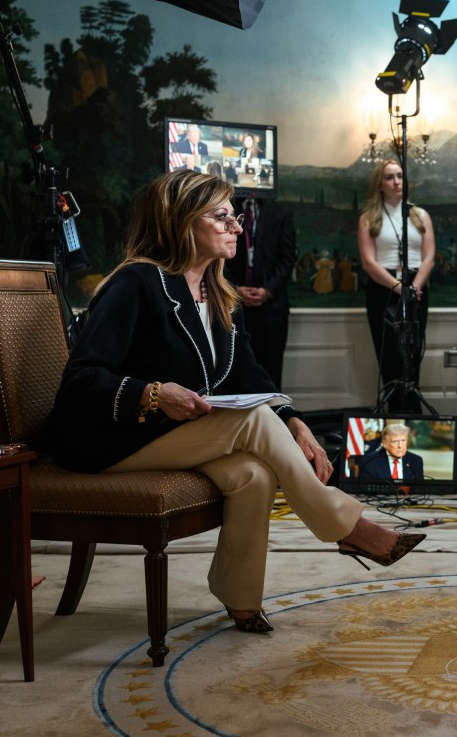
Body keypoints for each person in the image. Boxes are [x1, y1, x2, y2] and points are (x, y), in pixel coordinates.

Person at [45, 170, 424, 633]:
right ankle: (349, 528)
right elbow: (81, 380)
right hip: (109, 440)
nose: (237, 227)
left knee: (253, 474)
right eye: (222, 216)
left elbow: (249, 373)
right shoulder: (137, 283)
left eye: (235, 217)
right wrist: (155, 393)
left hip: (172, 436)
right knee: (256, 422)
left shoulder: (218, 293)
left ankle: (240, 598)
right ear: (183, 221)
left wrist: (297, 422)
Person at [357, 160, 436, 413]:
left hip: (417, 288)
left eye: (400, 176)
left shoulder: (420, 215)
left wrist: (414, 287)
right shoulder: (369, 218)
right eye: (390, 177)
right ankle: (397, 421)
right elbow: (369, 263)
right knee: (391, 359)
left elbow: (429, 257)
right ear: (380, 185)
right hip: (384, 289)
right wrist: (399, 287)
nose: (397, 182)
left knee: (412, 356)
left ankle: (414, 420)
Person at [224, 197, 297, 387]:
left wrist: (268, 290)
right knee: (235, 370)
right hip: (233, 305)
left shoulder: (280, 212)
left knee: (271, 370)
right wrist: (234, 289)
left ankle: (274, 415)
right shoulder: (229, 208)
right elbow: (218, 258)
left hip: (272, 308)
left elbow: (288, 257)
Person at [354, 424, 425, 482]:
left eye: (403, 441)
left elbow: (419, 489)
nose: (400, 446)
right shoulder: (368, 462)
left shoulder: (416, 460)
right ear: (385, 443)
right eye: (395, 441)